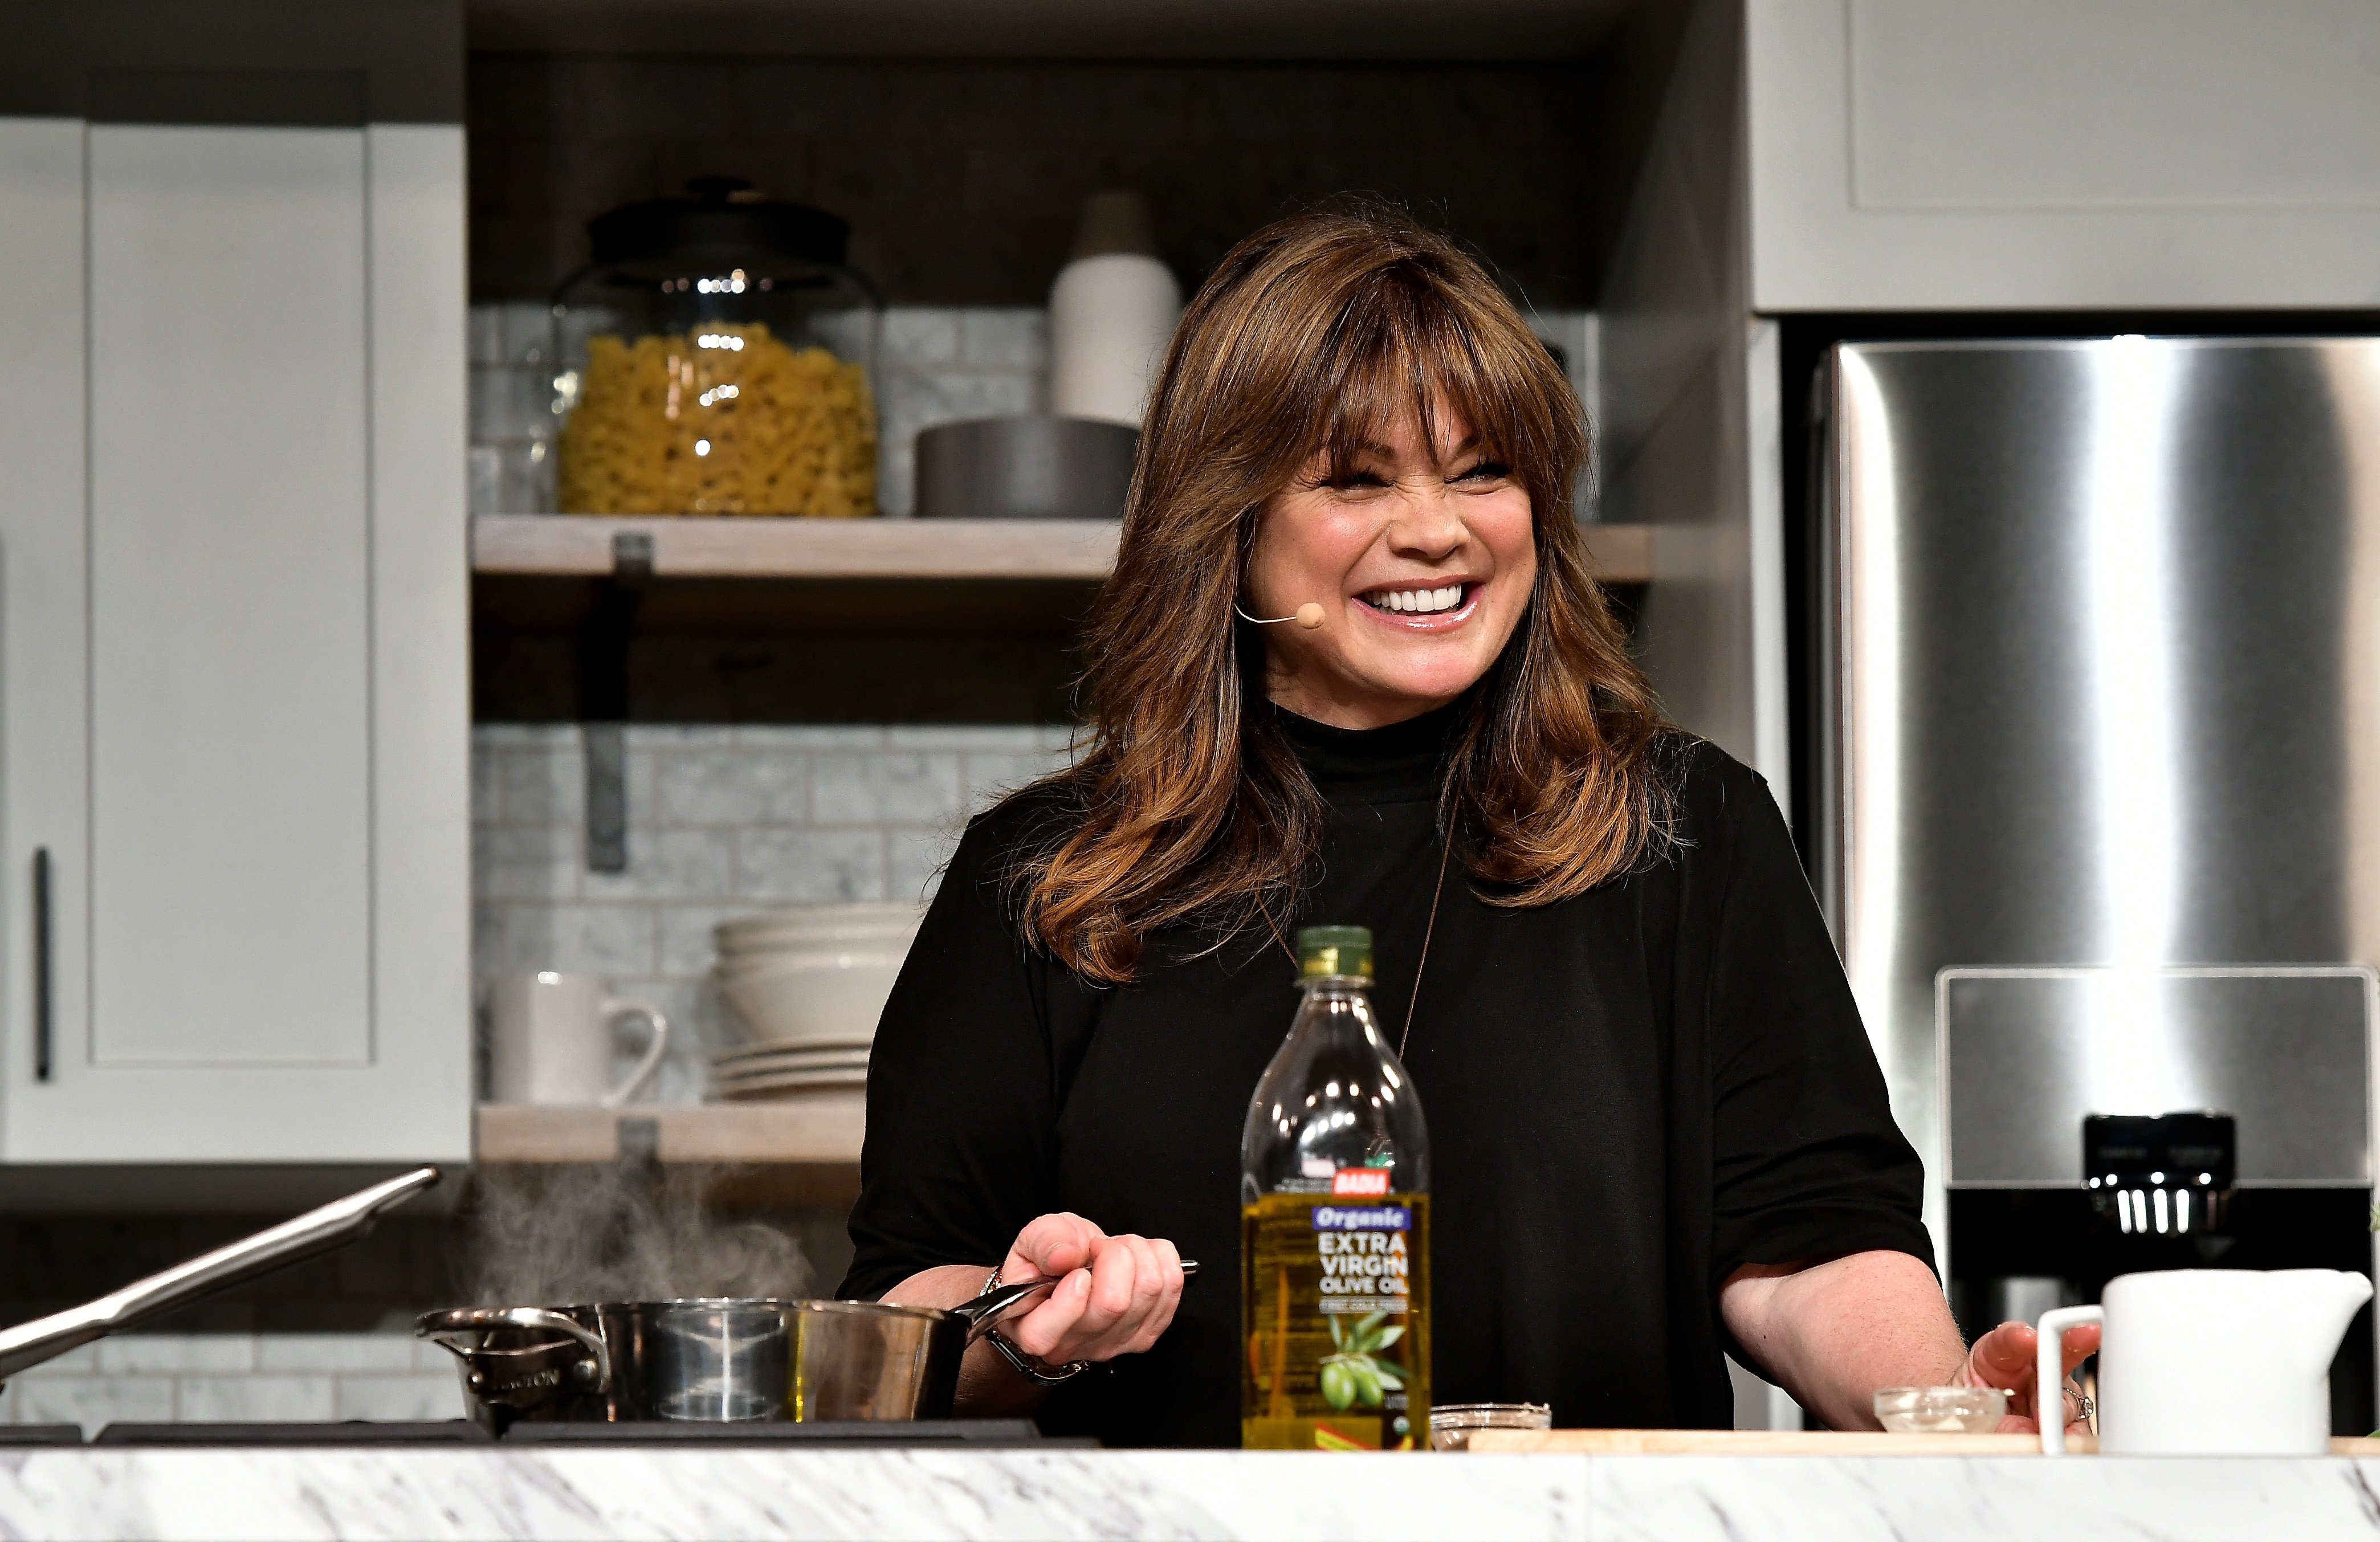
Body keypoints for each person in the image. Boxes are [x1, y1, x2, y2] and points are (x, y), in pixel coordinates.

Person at [838, 201, 2096, 1445]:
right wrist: (1024, 1327)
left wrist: (1956, 1416)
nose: (1439, 530)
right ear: (1227, 523)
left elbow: (1811, 1243)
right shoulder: (1048, 875)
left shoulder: (1682, 827)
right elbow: (909, 1308)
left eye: (1485, 470)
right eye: (1354, 478)